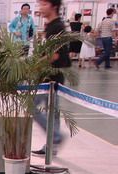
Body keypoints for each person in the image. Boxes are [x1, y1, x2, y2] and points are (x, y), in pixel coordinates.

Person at [32, 0, 70, 156]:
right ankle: (52, 145)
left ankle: (55, 137)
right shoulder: (50, 26)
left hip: (52, 76)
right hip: (48, 75)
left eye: (44, 5)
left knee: (31, 106)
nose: (41, 8)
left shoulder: (57, 27)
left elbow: (54, 55)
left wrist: (33, 66)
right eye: (40, 5)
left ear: (54, 6)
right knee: (52, 111)